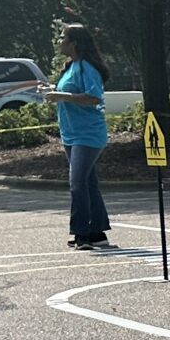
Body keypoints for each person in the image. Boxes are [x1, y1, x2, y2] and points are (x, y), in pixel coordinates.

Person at [38, 25, 110, 247]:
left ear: (75, 43)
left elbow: (93, 97)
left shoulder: (87, 67)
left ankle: (82, 234)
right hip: (71, 133)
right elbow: (70, 92)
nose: (59, 41)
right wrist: (52, 90)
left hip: (88, 135)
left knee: (77, 183)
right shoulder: (70, 67)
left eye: (63, 37)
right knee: (88, 183)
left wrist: (61, 95)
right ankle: (98, 233)